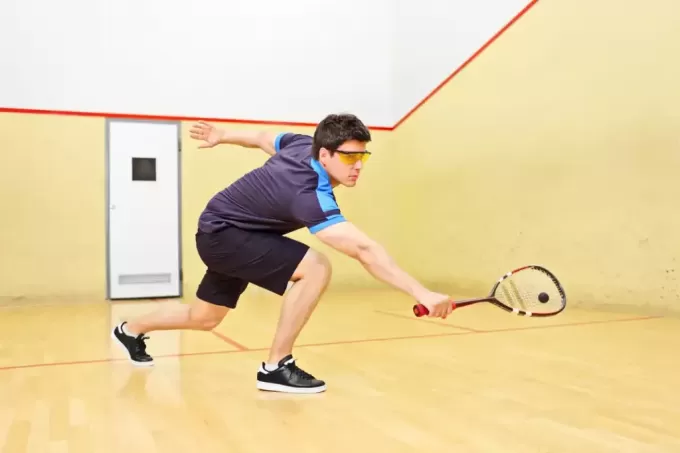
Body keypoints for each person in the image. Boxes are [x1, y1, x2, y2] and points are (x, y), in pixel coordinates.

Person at [111, 113, 454, 394]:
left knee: (205, 318)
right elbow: (364, 250)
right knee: (316, 267)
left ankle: (130, 329)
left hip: (227, 230)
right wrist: (421, 292)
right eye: (349, 156)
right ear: (325, 155)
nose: (358, 165)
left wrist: (224, 134)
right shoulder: (309, 193)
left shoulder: (302, 144)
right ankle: (276, 366)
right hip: (225, 235)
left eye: (362, 156)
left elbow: (263, 138)